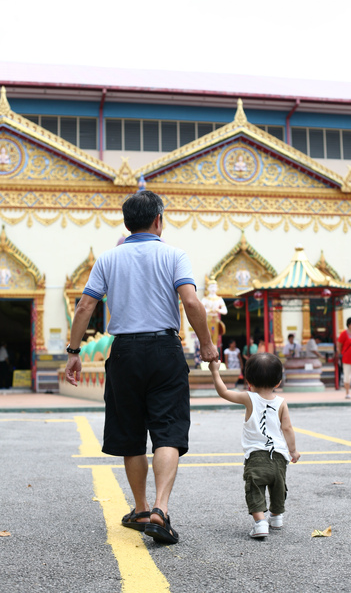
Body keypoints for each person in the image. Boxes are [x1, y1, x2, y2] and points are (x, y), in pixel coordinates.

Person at [65, 190, 218, 545]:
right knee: (167, 430)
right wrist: (207, 344)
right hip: (165, 349)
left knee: (130, 432)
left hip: (125, 352)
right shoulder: (174, 255)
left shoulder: (108, 259)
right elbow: (191, 301)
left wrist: (74, 351)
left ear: (126, 223)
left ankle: (140, 508)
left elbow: (86, 306)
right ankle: (160, 512)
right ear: (158, 220)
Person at [208, 354, 300, 538]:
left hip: (256, 455)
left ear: (248, 380)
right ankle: (276, 517)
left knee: (255, 488)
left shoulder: (249, 398)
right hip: (279, 456)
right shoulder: (282, 402)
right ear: (278, 382)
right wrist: (293, 450)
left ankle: (260, 523)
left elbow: (224, 392)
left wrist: (215, 372)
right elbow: (287, 428)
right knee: (278, 487)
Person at [201, 280, 228, 346]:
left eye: (214, 287)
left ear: (217, 288)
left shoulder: (219, 299)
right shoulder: (205, 299)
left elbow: (225, 311)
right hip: (208, 319)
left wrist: (217, 310)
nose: (213, 289)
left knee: (215, 338)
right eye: (211, 287)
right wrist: (209, 310)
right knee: (208, 337)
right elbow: (201, 310)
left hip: (216, 319)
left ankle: (215, 351)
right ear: (208, 288)